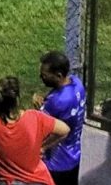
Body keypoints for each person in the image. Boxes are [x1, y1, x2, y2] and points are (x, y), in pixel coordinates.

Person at [36, 50, 85, 185]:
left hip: (56, 162)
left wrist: (42, 147)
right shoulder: (77, 83)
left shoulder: (57, 101)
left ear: (58, 75)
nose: (41, 77)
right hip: (74, 155)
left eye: (44, 75)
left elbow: (39, 124)